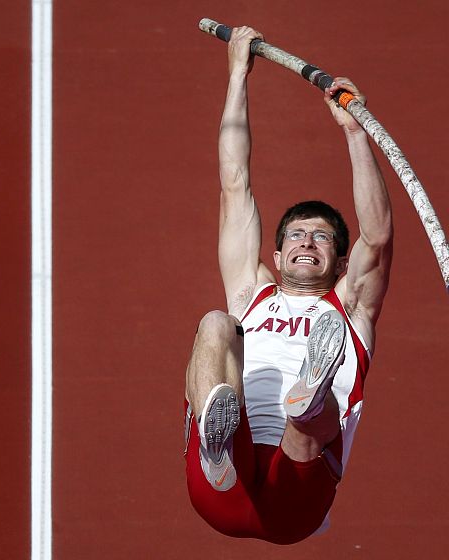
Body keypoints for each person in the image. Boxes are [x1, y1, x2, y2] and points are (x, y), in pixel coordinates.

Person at [183, 25, 393, 544]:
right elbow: (236, 182)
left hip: (295, 495)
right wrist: (237, 75)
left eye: (322, 238)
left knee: (306, 429)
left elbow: (378, 234)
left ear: (341, 262)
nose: (307, 241)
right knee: (215, 324)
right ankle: (218, 446)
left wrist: (354, 131)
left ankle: (306, 400)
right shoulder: (249, 293)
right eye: (297, 234)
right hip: (223, 484)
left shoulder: (350, 308)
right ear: (275, 256)